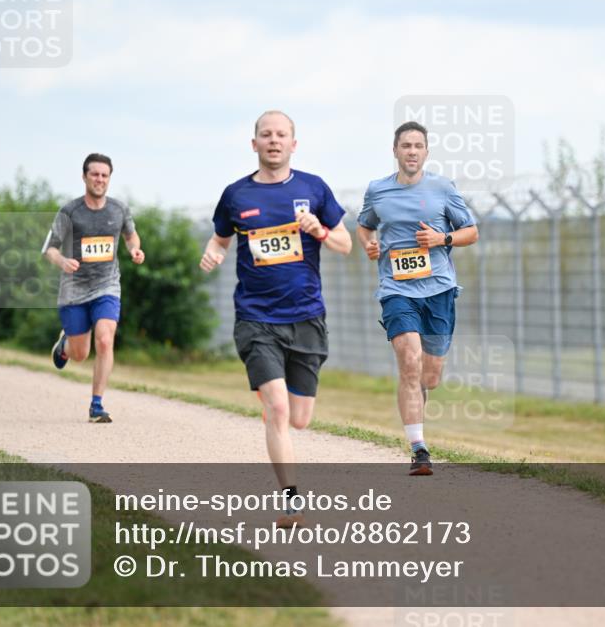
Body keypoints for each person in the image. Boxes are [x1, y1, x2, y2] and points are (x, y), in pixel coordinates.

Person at [200, 110, 352, 527]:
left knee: (299, 419)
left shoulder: (313, 188)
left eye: (281, 135)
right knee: (280, 409)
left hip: (306, 316)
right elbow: (219, 238)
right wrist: (215, 253)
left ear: (293, 144)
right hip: (255, 317)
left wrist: (319, 229)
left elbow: (346, 244)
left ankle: (275, 405)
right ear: (254, 144)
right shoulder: (236, 195)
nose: (273, 140)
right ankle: (290, 501)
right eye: (265, 135)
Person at [356, 121, 478, 476]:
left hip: (438, 289)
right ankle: (419, 449)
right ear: (394, 151)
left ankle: (418, 404)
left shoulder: (442, 187)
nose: (411, 151)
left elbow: (471, 232)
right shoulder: (377, 190)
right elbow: (365, 225)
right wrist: (369, 244)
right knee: (408, 362)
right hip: (396, 289)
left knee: (430, 376)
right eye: (405, 145)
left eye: (418, 146)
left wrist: (443, 240)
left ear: (426, 152)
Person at [43, 153, 145, 423]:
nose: (99, 179)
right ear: (84, 177)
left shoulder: (119, 209)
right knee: (80, 354)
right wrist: (62, 260)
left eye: (104, 175)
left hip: (107, 285)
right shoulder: (70, 211)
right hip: (74, 289)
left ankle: (96, 405)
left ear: (109, 178)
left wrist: (135, 249)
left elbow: (130, 234)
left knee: (105, 338)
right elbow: (49, 248)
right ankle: (66, 344)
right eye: (94, 174)